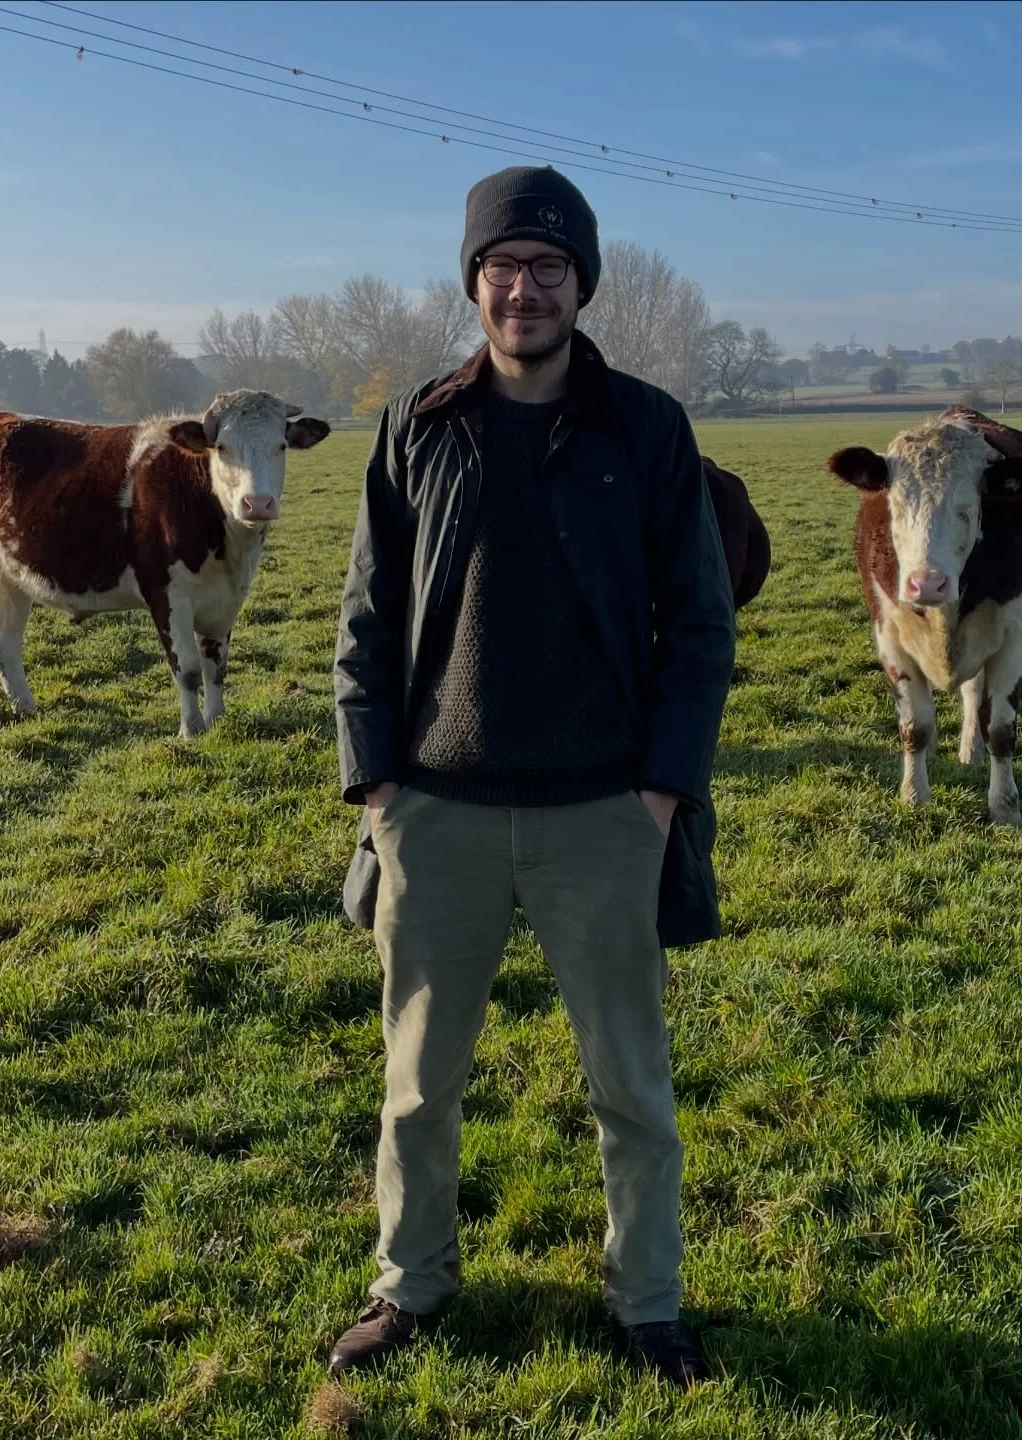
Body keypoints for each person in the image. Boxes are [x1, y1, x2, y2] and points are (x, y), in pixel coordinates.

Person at [331, 164, 735, 1388]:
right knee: (416, 1088)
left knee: (633, 1088)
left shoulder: (649, 428)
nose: (525, 290)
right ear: (475, 285)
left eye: (549, 269)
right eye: (503, 269)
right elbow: (363, 616)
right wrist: (377, 786)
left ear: (582, 284)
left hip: (603, 816)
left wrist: (660, 793)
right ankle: (411, 1284)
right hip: (438, 813)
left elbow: (702, 626)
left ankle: (648, 1301)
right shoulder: (418, 423)